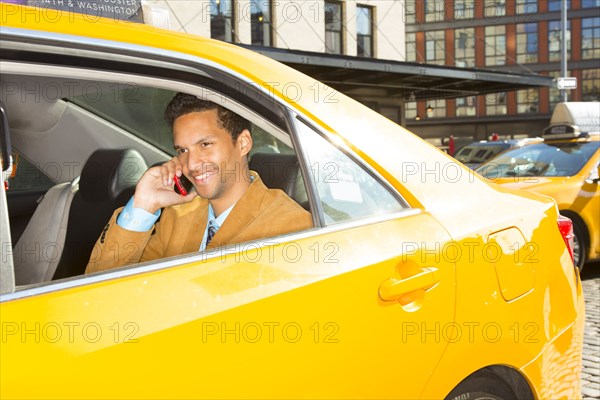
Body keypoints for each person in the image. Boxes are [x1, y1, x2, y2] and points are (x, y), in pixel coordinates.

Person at [85, 93, 313, 273]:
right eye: (182, 150)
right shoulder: (177, 215)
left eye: (205, 144)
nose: (191, 164)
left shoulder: (293, 226)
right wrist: (143, 206)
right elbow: (100, 288)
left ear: (243, 143)